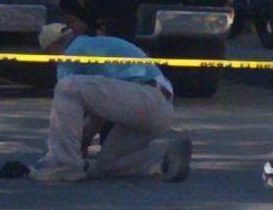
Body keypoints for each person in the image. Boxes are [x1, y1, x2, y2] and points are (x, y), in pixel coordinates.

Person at [28, 23, 192, 182]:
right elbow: (101, 111)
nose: (53, 63)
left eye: (50, 56)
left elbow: (68, 107)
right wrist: (84, 139)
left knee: (66, 87)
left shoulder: (72, 53)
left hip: (144, 97)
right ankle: (164, 159)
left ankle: (63, 164)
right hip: (158, 106)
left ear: (54, 47)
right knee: (108, 165)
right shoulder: (97, 45)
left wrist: (67, 149)